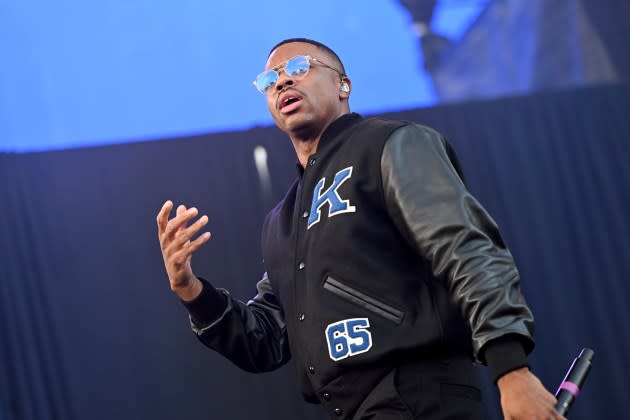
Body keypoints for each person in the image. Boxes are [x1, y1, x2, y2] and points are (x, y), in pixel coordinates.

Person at [156, 38, 564, 419]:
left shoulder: (391, 144)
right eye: (269, 79)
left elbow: (465, 247)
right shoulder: (282, 219)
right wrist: (190, 290)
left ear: (343, 85)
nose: (282, 80)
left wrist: (511, 370)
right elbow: (267, 339)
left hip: (417, 394)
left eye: (299, 66)